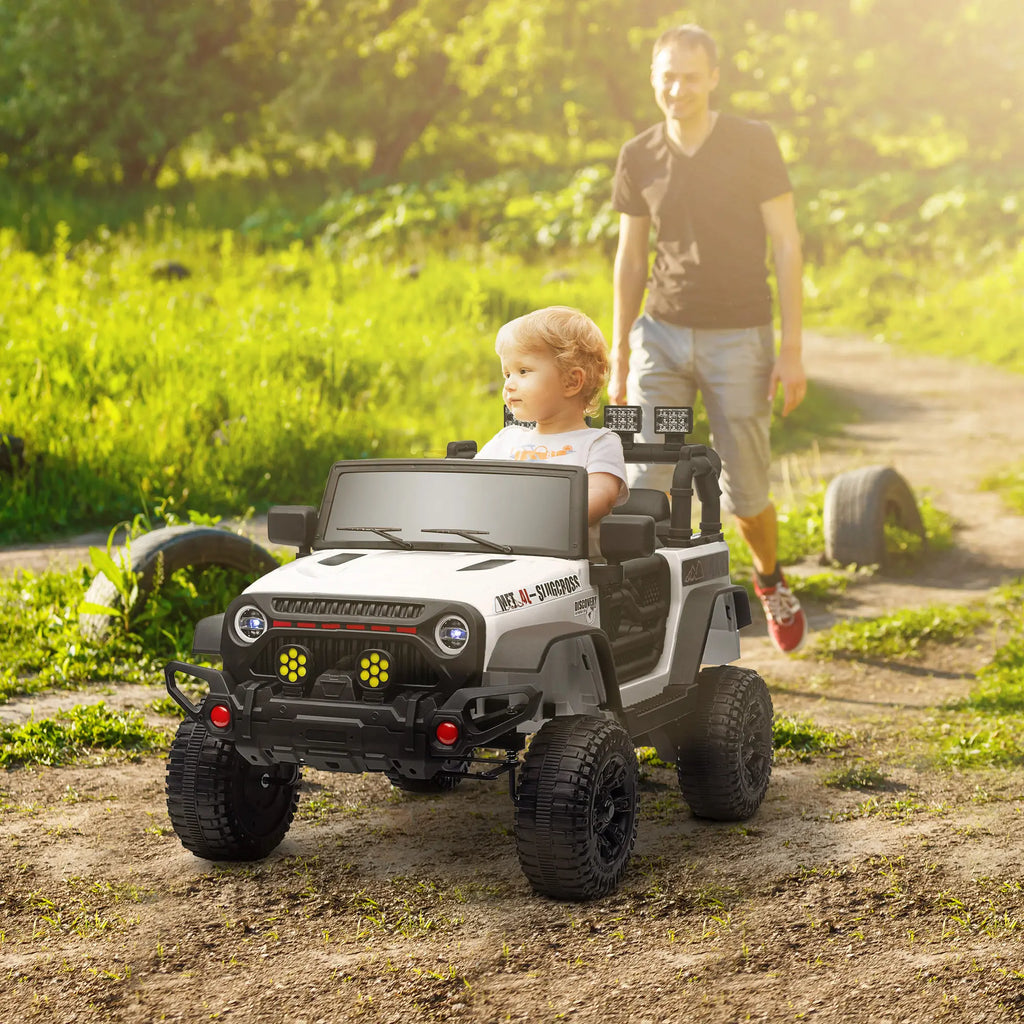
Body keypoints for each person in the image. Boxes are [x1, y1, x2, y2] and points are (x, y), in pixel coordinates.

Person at [609, 23, 808, 653]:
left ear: (714, 77)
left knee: (746, 491)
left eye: (690, 76)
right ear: (653, 79)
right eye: (667, 76)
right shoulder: (639, 154)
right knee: (649, 473)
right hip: (661, 339)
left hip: (739, 341)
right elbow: (630, 257)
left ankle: (770, 579)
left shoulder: (753, 143)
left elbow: (787, 242)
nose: (678, 88)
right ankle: (647, 612)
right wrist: (619, 353)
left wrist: (793, 348)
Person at [477, 306, 629, 547]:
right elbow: (466, 487)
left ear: (571, 381)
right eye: (507, 374)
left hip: (572, 572)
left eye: (523, 371)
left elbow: (601, 497)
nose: (509, 385)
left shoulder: (598, 443)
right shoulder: (506, 440)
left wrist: (536, 521)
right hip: (502, 556)